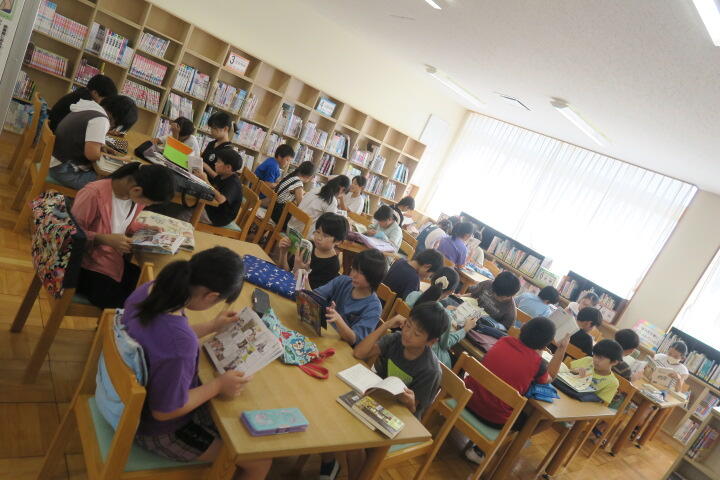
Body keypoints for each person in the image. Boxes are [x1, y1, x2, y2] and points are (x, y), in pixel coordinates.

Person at [121, 247, 271, 478]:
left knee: (235, 418)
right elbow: (164, 412)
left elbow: (159, 339)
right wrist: (218, 385)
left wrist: (211, 326)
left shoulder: (153, 289)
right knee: (260, 460)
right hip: (157, 430)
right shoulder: (181, 345)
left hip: (124, 401)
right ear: (211, 296)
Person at [463, 318, 570, 464]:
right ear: (545, 345)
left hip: (466, 399)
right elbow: (550, 378)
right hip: (493, 419)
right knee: (531, 420)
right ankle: (482, 450)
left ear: (523, 327)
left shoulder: (504, 340)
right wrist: (562, 348)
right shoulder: (538, 365)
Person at [71, 163, 175, 308]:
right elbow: (71, 234)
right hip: (84, 267)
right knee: (135, 305)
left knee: (151, 288)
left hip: (111, 261)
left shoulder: (133, 198)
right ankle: (112, 322)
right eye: (149, 202)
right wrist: (104, 239)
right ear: (137, 190)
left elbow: (123, 224)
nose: (147, 205)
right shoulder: (93, 194)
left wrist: (146, 229)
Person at [355, 302, 446, 417]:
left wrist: (410, 403)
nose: (407, 334)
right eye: (408, 325)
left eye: (416, 334)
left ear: (431, 341)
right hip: (376, 398)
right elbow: (359, 353)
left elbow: (412, 412)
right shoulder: (396, 339)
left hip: (397, 415)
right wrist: (387, 324)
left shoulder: (431, 371)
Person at [49, 95, 138, 190]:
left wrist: (101, 145)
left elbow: (83, 135)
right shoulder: (102, 120)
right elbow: (92, 155)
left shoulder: (91, 107)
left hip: (55, 163)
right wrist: (120, 159)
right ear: (119, 119)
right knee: (115, 185)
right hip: (64, 171)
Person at [405, 267, 477, 367]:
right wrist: (465, 329)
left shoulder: (413, 295)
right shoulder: (443, 316)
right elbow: (445, 344)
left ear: (432, 279)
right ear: (451, 291)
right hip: (428, 359)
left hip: (405, 340)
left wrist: (444, 309)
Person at [313, 248, 386, 345]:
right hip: (324, 335)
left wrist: (338, 320)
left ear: (373, 277)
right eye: (354, 269)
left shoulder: (374, 307)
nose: (353, 275)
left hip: (341, 347)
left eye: (361, 273)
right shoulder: (343, 281)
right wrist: (303, 278)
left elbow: (354, 339)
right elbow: (315, 296)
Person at [278, 212, 347, 289]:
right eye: (318, 232)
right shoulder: (308, 246)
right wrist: (283, 253)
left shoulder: (332, 265)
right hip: (284, 285)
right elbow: (284, 272)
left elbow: (309, 294)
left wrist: (300, 271)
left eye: (325, 236)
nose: (319, 238)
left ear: (338, 241)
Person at [48, 74, 117, 132]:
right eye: (104, 99)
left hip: (54, 128)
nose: (104, 103)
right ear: (95, 93)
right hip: (57, 133)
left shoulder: (81, 93)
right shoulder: (85, 102)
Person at [196, 149, 244, 227]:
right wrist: (202, 164)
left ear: (228, 167)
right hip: (211, 208)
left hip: (217, 217)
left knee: (184, 214)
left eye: (218, 162)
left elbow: (221, 199)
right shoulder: (226, 175)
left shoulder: (233, 183)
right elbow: (214, 175)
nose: (215, 163)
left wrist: (206, 181)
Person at [570, 339, 623, 404]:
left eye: (600, 358)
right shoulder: (587, 360)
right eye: (595, 355)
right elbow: (566, 372)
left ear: (614, 362)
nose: (595, 360)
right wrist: (574, 372)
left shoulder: (612, 383)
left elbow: (599, 404)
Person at [201, 111, 237, 177]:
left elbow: (219, 179)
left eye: (215, 128)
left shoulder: (228, 151)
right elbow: (201, 160)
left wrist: (204, 165)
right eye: (211, 128)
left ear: (225, 129)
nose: (211, 131)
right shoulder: (212, 143)